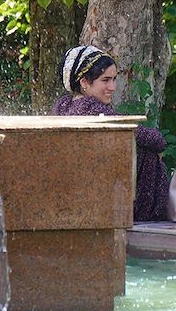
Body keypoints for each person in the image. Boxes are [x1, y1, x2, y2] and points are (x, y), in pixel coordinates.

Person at [52, 45, 169, 222]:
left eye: (114, 79)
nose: (112, 87)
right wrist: (157, 140)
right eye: (105, 80)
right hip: (105, 196)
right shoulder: (92, 109)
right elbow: (151, 139)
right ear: (84, 82)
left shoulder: (64, 106)